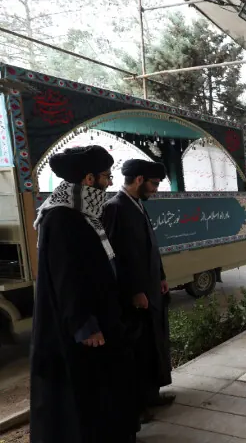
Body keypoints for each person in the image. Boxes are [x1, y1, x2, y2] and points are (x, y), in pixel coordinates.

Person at [30, 146, 138, 443]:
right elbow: (67, 277)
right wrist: (84, 324)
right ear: (89, 179)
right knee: (84, 396)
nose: (109, 181)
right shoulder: (61, 218)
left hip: (103, 314)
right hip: (83, 329)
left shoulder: (84, 213)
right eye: (106, 176)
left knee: (106, 390)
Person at [102, 159, 174, 425]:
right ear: (140, 179)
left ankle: (151, 394)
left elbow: (149, 247)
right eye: (154, 184)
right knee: (137, 353)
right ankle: (136, 406)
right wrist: (134, 291)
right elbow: (115, 257)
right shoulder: (114, 208)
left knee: (153, 346)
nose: (155, 190)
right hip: (134, 297)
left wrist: (162, 277)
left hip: (151, 290)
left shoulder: (138, 205)